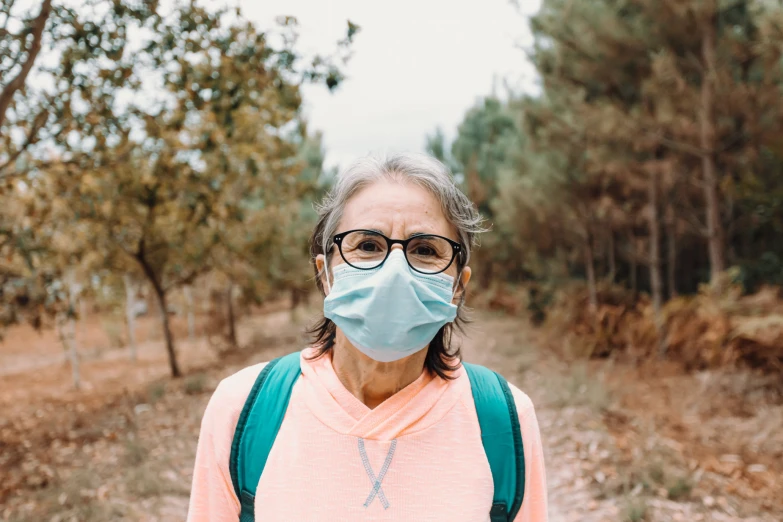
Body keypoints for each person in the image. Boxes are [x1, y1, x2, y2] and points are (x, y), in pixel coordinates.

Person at [186, 153, 548, 521]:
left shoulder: (504, 421)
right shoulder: (243, 411)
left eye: (425, 250)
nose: (394, 271)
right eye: (367, 246)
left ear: (457, 286)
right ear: (325, 272)